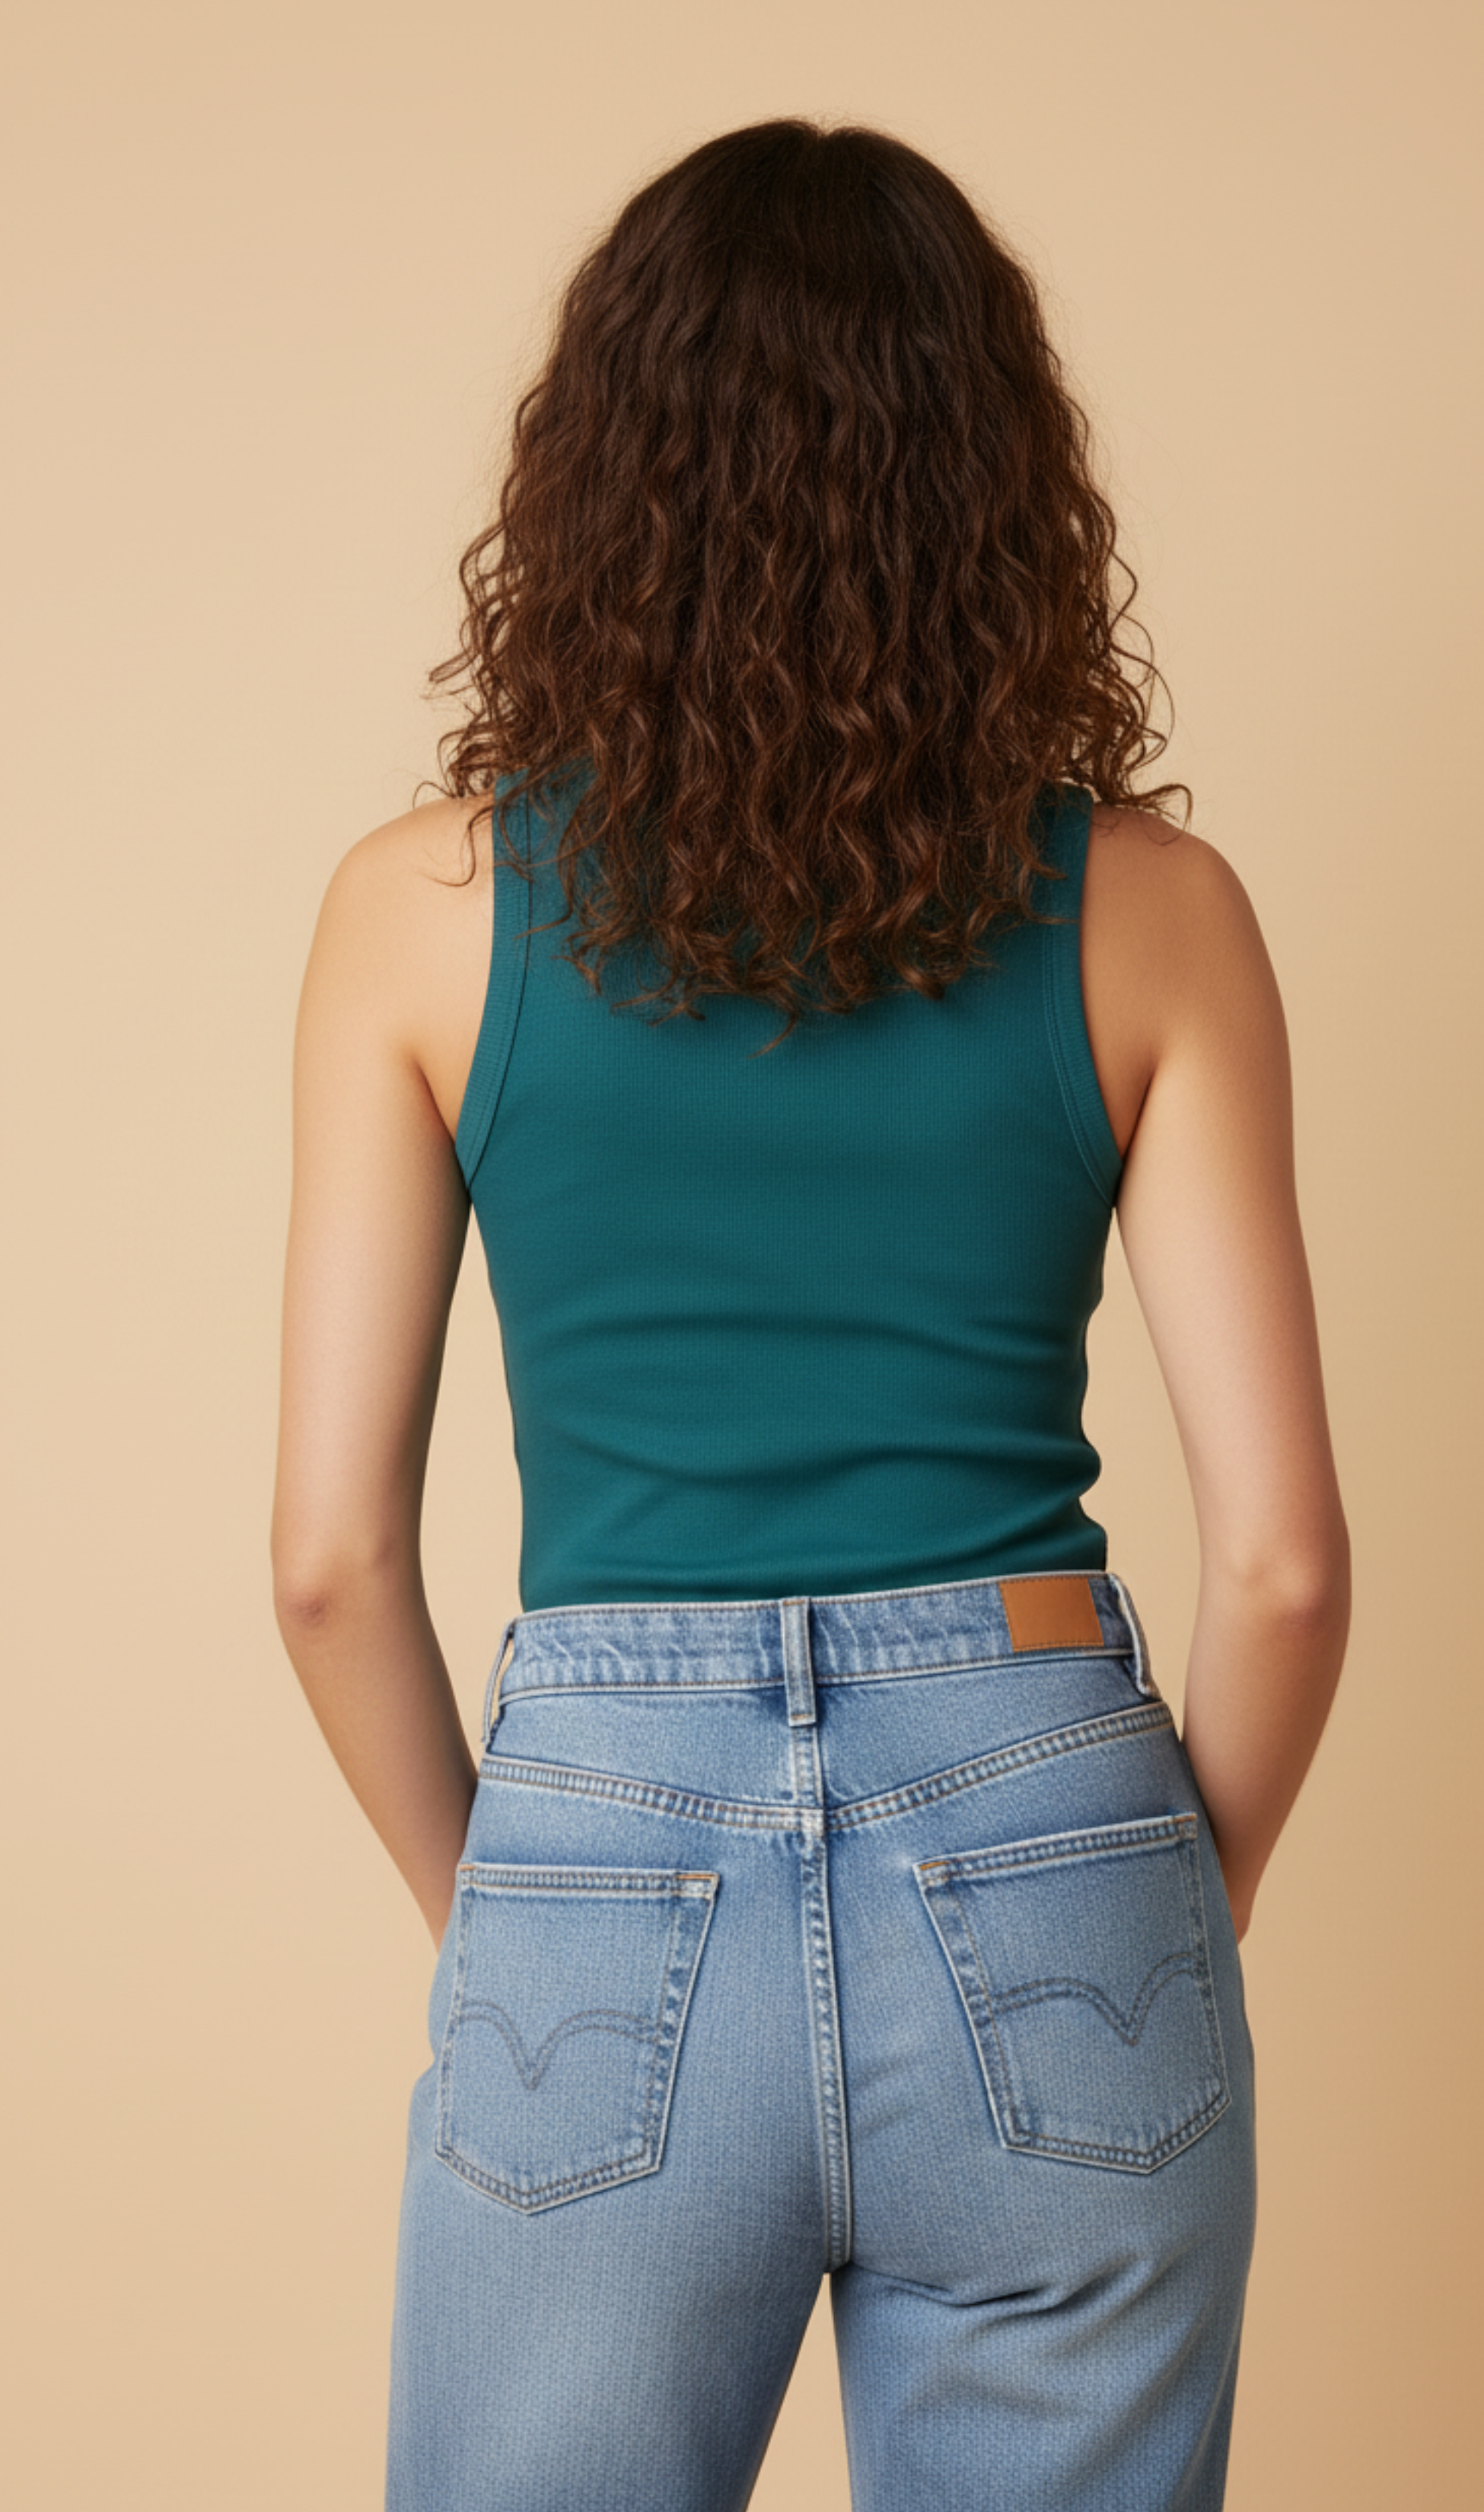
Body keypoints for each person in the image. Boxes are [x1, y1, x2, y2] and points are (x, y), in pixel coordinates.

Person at [271, 116, 1350, 2512]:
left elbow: (330, 1559)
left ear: (592, 484)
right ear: (998, 489)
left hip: (598, 1833)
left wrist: (513, 1905)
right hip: (1052, 1805)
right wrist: (1156, 1902)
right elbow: (1281, 1562)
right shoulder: (1152, 914)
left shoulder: (418, 915)